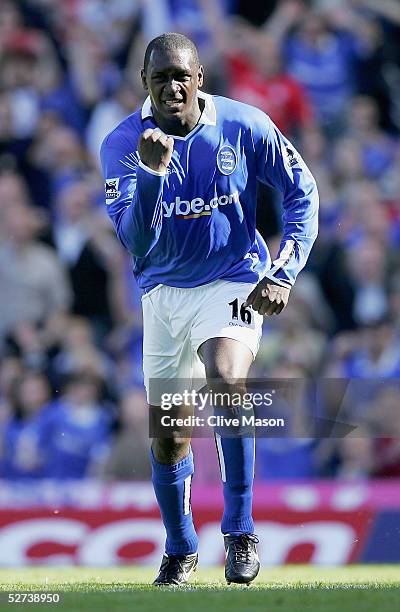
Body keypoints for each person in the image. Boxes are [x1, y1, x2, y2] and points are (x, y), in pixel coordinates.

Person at [100, 32, 318, 586]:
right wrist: (151, 175)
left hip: (232, 279)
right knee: (169, 432)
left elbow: (302, 193)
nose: (172, 87)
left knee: (226, 380)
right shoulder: (122, 144)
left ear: (200, 78)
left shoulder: (244, 125)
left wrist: (283, 271)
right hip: (164, 295)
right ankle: (180, 549)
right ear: (143, 84)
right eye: (159, 78)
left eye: (181, 76)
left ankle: (240, 532)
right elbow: (138, 243)